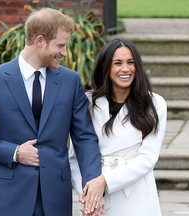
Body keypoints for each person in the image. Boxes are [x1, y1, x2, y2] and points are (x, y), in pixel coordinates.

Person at [0, 8, 103, 216]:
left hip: (55, 197)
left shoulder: (70, 81)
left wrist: (93, 183)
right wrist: (15, 152)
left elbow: (85, 138)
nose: (64, 52)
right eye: (60, 46)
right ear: (39, 41)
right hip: (9, 196)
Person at [69, 38, 167, 216]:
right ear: (105, 68)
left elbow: (147, 158)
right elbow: (75, 158)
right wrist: (89, 194)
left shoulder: (154, 103)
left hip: (137, 194)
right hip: (99, 199)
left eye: (131, 62)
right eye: (117, 63)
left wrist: (104, 181)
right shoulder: (88, 103)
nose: (125, 69)